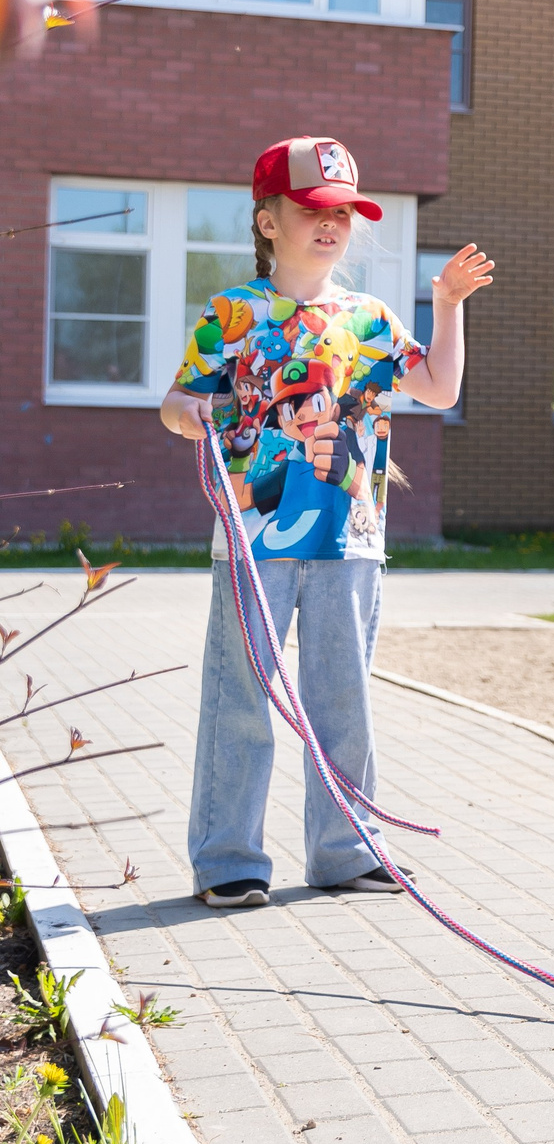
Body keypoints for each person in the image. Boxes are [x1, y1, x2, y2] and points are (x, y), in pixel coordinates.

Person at [160, 136, 490, 908]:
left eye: (342, 212)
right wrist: (193, 414)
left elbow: (440, 388)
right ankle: (228, 859)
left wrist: (446, 306)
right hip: (253, 543)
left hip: (351, 540)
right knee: (242, 695)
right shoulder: (232, 314)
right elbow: (176, 402)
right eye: (312, 210)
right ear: (268, 220)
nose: (331, 224)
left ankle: (347, 852)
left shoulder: (369, 319)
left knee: (343, 698)